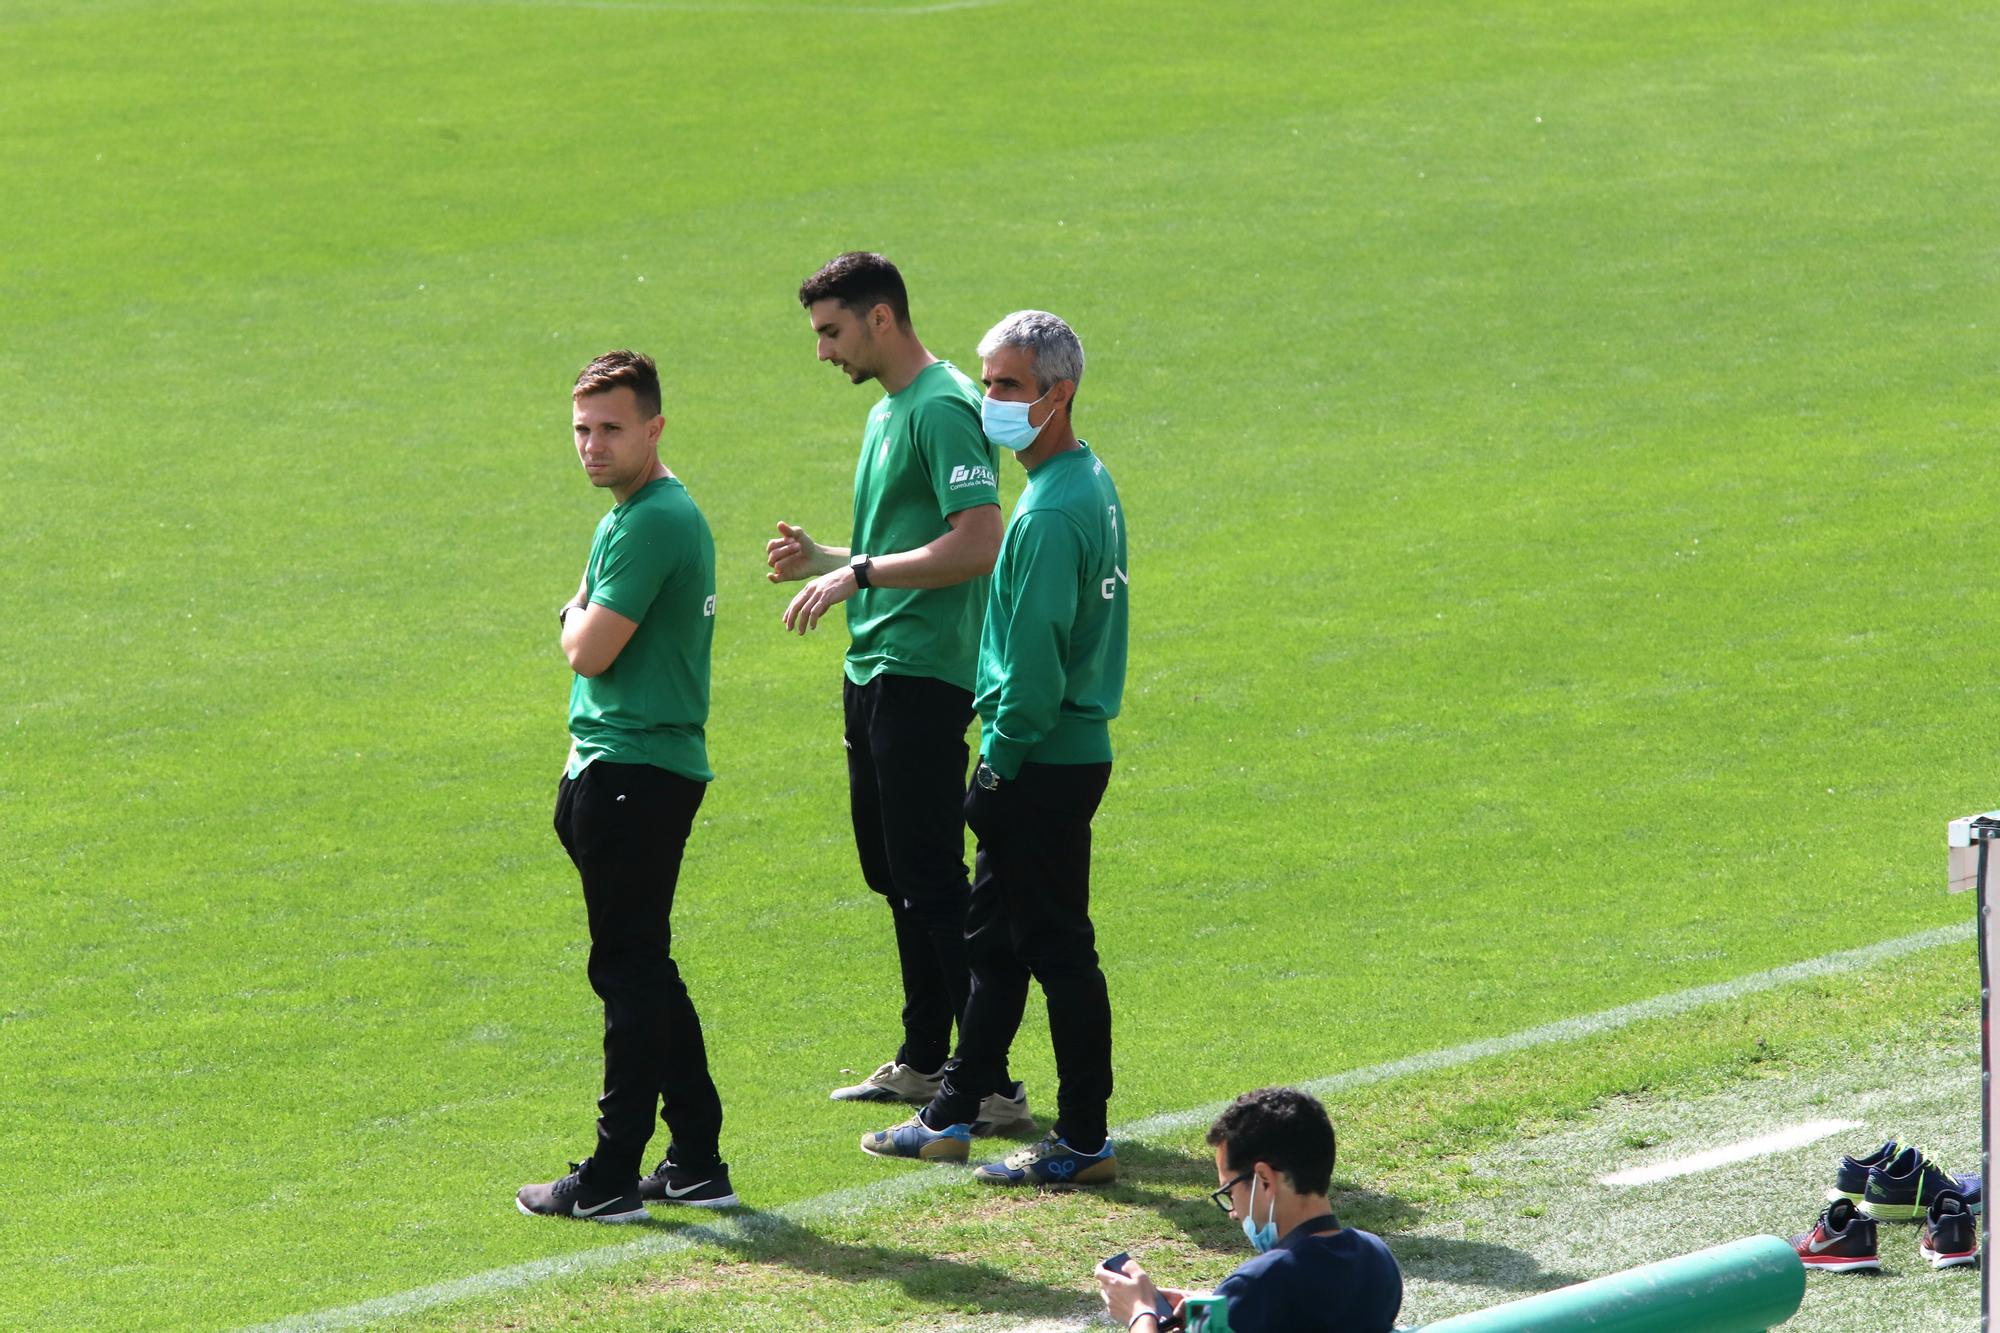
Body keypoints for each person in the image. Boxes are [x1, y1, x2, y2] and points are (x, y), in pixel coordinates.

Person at [859, 310, 1128, 1185]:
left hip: (1040, 759)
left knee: (1055, 948)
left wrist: (996, 765)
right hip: (1056, 752)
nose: (990, 400)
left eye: (1008, 386)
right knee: (995, 940)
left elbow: (1038, 669)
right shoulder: (1086, 482)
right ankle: (953, 1109)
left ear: (1060, 394)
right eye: (986, 380)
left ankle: (1084, 1138)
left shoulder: (1049, 515)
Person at [770, 252, 1029, 1133]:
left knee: (928, 877)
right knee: (893, 871)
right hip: (875, 666)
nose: (822, 352)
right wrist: (832, 562)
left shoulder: (945, 406)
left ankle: (985, 1079)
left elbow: (977, 543)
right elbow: (905, 545)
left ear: (882, 318)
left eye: (831, 331)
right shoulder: (891, 410)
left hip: (925, 671)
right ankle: (927, 1059)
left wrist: (862, 574)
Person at [516, 350, 738, 1222]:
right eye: (581, 429)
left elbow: (587, 645)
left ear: (654, 427)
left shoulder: (652, 522)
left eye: (610, 427)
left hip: (632, 775)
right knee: (644, 965)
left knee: (627, 973)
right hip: (626, 771)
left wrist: (572, 618)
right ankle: (695, 1155)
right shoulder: (637, 514)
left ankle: (611, 1175)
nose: (592, 445)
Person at [1096, 1088, 1403, 1333]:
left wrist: (1140, 1312)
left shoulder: (1261, 1283)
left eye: (1229, 1191)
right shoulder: (1377, 1258)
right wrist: (1218, 1311)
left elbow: (1268, 1299)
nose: (1233, 1212)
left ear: (1265, 1179)